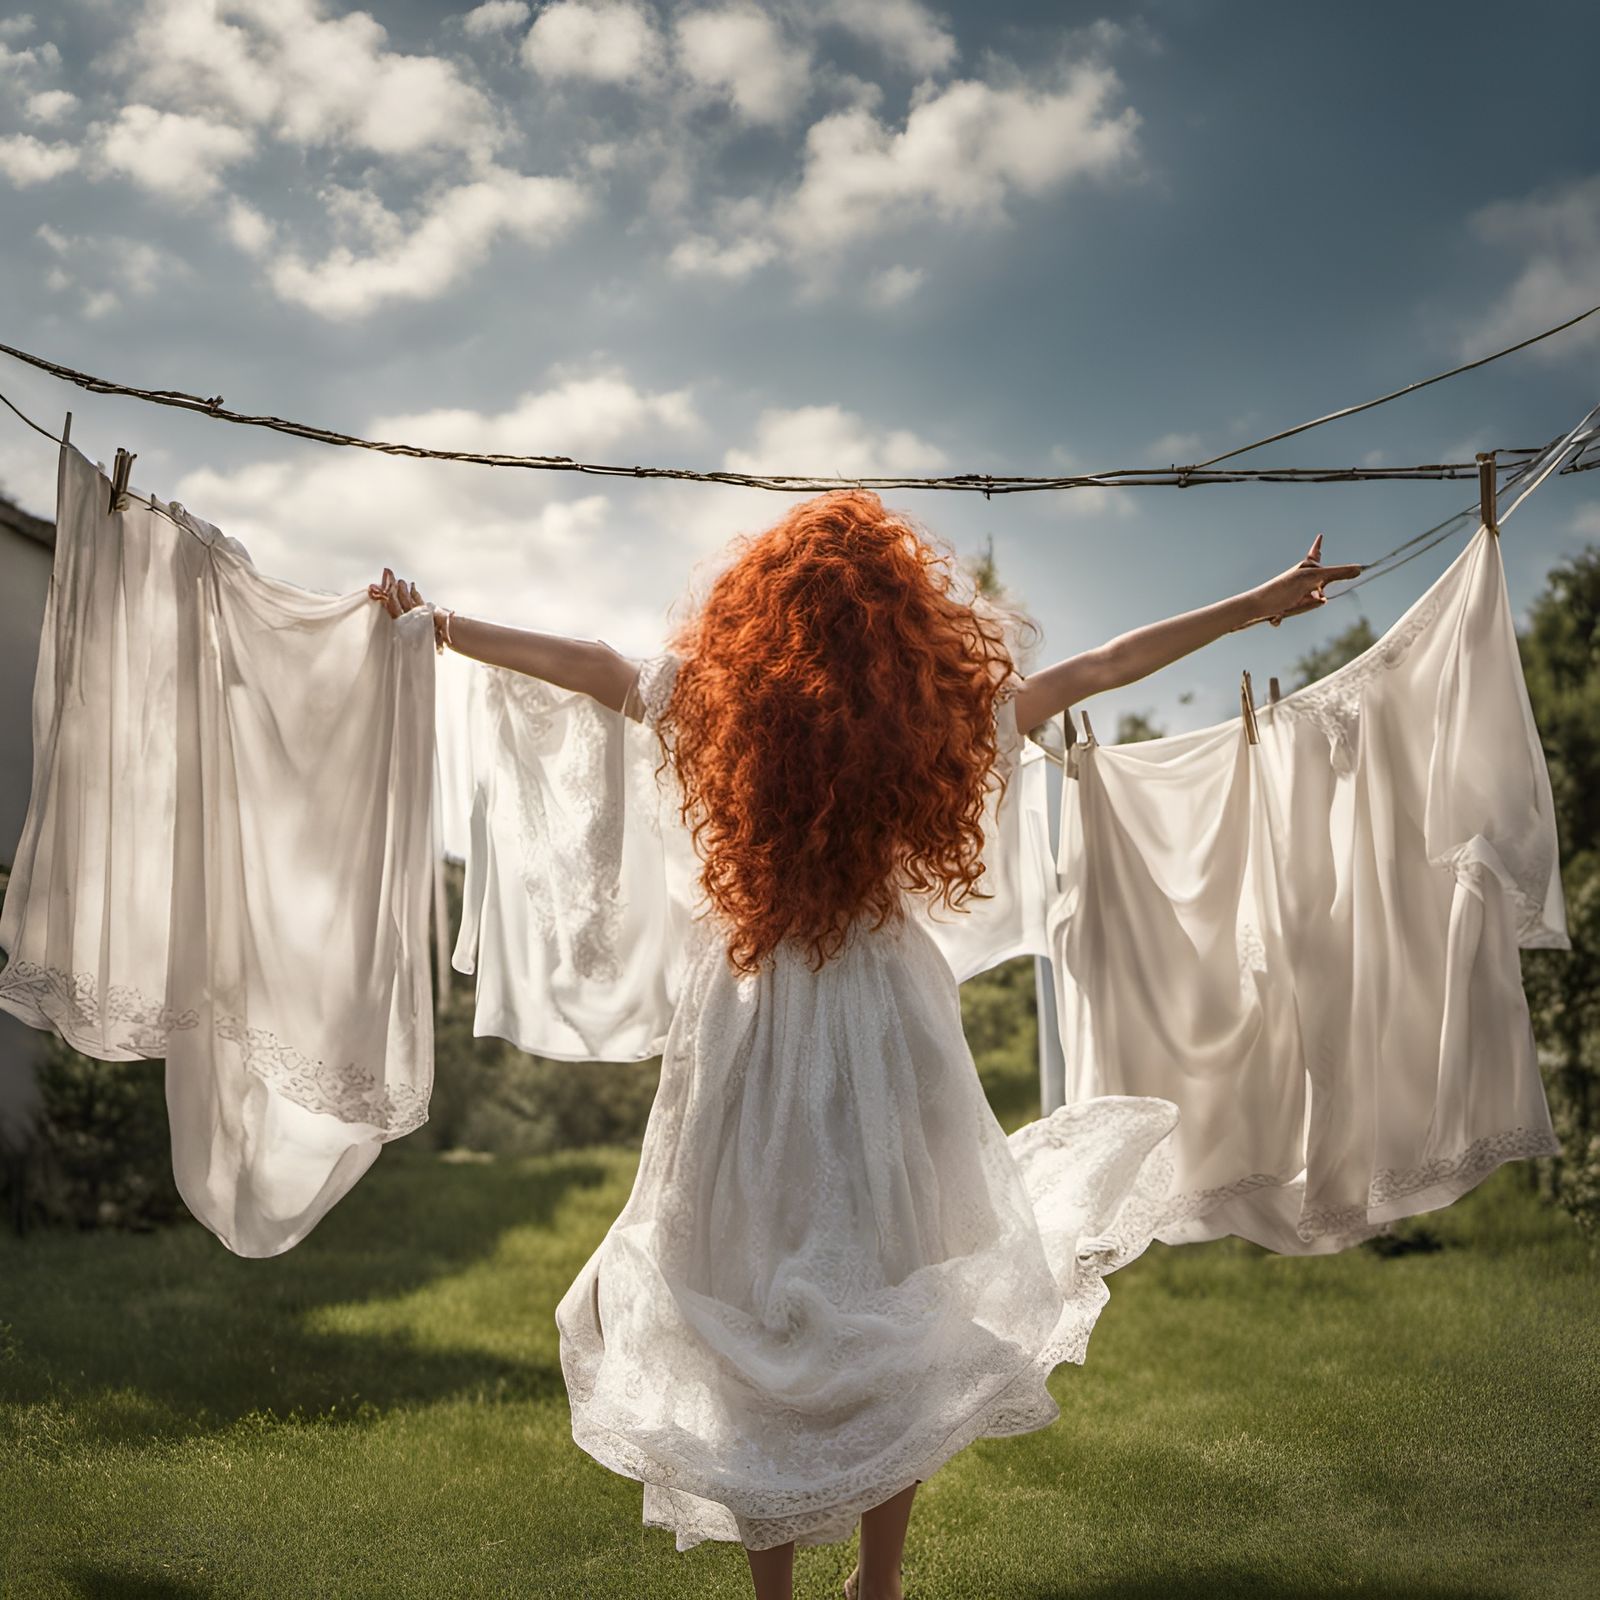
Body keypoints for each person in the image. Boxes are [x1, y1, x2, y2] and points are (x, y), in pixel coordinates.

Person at [370, 491, 1358, 1600]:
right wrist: (1253, 606)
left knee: (742, 1288)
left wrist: (445, 624)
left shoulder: (713, 703)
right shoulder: (935, 721)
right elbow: (1098, 668)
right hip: (888, 1014)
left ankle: (780, 1595)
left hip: (753, 1014)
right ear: (902, 625)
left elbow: (595, 665)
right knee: (907, 1283)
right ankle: (878, 1582)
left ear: (761, 616)